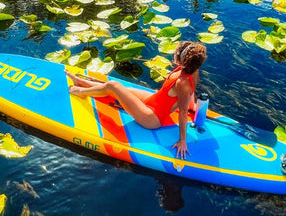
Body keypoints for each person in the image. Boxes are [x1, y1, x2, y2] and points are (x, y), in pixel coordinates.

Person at [66, 40, 207, 160]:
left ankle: (81, 91)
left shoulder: (183, 82)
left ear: (182, 60)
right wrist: (193, 106)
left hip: (152, 117)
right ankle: (82, 82)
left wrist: (183, 141)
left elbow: (182, 113)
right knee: (122, 91)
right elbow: (191, 91)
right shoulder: (193, 70)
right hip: (154, 101)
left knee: (113, 86)